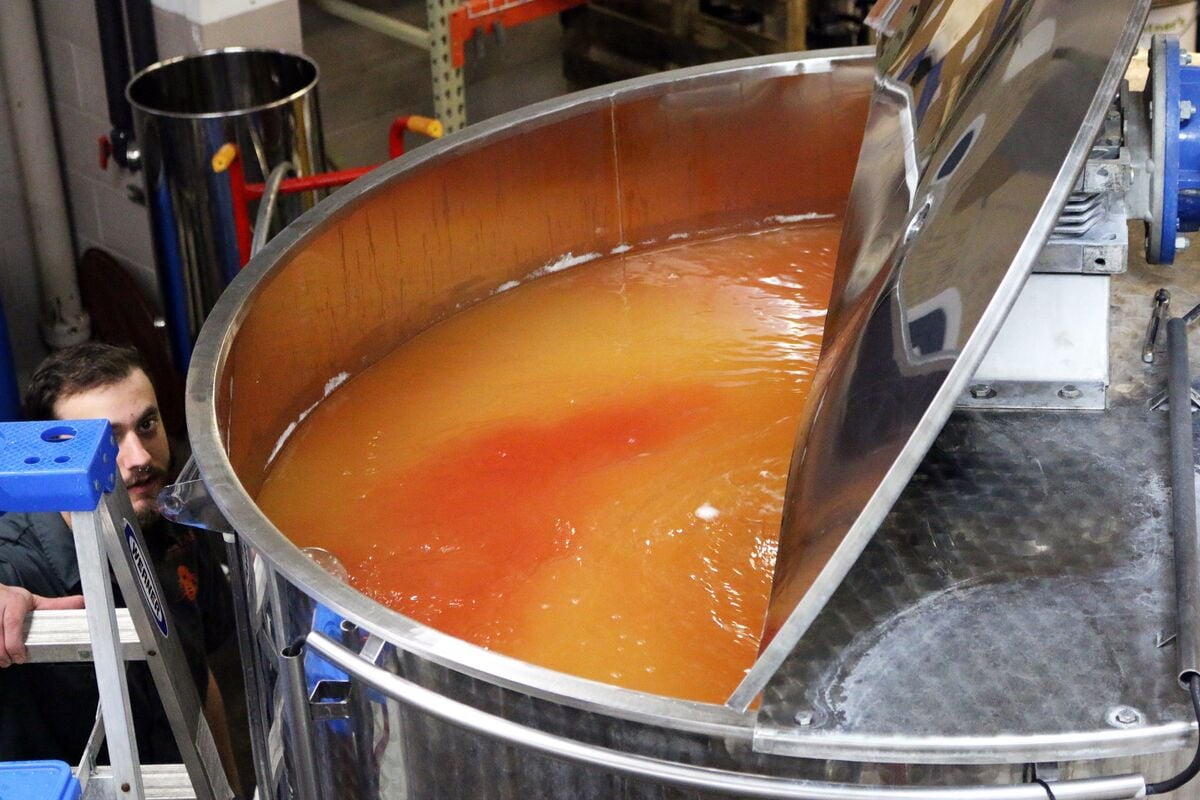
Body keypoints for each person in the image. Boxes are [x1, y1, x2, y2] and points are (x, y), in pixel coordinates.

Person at [0, 343, 238, 783]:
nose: (140, 459)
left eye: (147, 425)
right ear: (55, 458)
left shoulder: (177, 514)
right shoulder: (18, 562)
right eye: (106, 441)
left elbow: (199, 682)